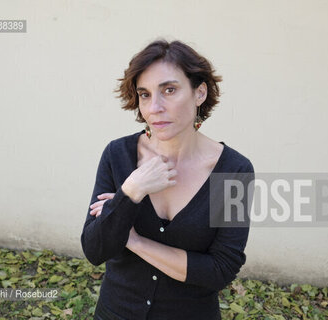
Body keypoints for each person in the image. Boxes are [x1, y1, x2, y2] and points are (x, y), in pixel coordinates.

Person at [81, 39, 254, 320]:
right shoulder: (118, 155)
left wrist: (135, 242)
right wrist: (132, 190)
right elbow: (95, 249)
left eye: (169, 90)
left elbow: (220, 270)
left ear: (199, 93)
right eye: (145, 94)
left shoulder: (234, 170)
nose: (154, 108)